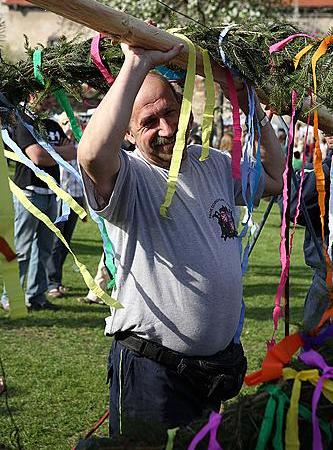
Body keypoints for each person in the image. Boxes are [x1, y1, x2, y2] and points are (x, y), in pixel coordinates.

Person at [77, 39, 284, 440]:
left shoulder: (214, 164)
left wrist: (248, 106)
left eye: (170, 112)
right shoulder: (129, 179)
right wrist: (136, 64)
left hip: (213, 371)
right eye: (149, 122)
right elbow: (91, 155)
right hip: (153, 374)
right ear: (128, 131)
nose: (166, 128)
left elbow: (274, 177)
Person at [1, 111, 76, 311]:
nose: (51, 98)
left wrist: (52, 152)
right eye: (46, 92)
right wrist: (59, 152)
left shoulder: (52, 125)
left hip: (52, 192)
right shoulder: (21, 122)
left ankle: (36, 296)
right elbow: (38, 156)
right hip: (29, 193)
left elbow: (70, 152)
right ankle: (11, 296)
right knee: (22, 249)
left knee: (44, 249)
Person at [290, 134, 333, 331]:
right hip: (326, 273)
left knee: (315, 348)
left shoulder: (326, 171)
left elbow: (294, 206)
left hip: (328, 273)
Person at [47, 113, 85, 298]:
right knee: (56, 242)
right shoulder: (60, 144)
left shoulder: (79, 143)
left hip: (76, 197)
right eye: (69, 123)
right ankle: (51, 283)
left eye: (75, 123)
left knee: (66, 243)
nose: (72, 126)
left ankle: (57, 280)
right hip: (61, 197)